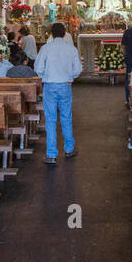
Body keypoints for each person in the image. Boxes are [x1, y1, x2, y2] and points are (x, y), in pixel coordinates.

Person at [34, 21, 82, 164]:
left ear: (52, 34)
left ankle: (51, 154)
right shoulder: (71, 49)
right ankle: (69, 149)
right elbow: (78, 69)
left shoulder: (46, 48)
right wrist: (70, 78)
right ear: (65, 33)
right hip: (65, 85)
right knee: (66, 117)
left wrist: (46, 77)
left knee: (50, 119)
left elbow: (38, 68)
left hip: (50, 85)